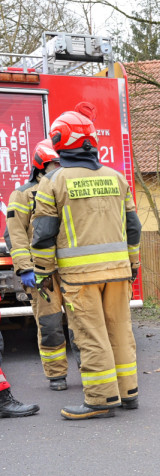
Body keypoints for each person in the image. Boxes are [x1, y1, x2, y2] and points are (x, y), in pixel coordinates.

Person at [31, 109, 141, 420]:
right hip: (119, 272)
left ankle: (100, 399)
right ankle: (128, 392)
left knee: (91, 335)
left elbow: (43, 236)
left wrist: (43, 273)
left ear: (60, 142)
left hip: (79, 279)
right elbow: (133, 228)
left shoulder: (53, 183)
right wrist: (133, 263)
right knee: (120, 331)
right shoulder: (117, 177)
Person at [4, 139, 73, 391]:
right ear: (40, 166)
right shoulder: (22, 194)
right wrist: (24, 267)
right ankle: (56, 375)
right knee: (50, 325)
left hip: (71, 268)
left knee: (82, 325)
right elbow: (15, 234)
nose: (59, 169)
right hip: (42, 274)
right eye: (55, 164)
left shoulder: (66, 188)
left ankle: (90, 371)